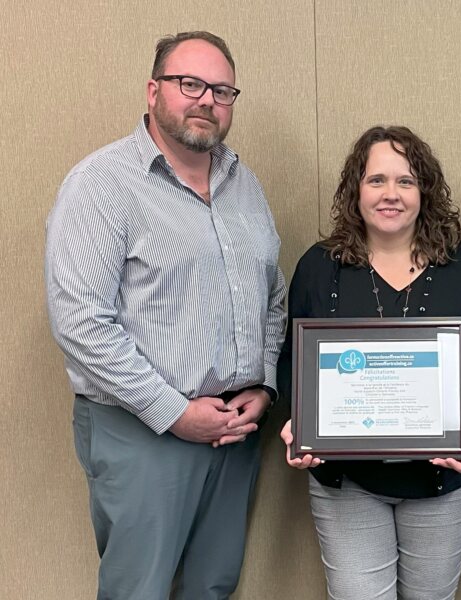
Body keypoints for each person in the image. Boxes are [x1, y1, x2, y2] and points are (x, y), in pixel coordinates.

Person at [45, 31, 286, 599]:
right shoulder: (102, 184)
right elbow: (80, 322)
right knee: (139, 591)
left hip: (234, 433)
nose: (206, 100)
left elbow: (271, 296)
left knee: (211, 586)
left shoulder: (243, 185)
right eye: (190, 84)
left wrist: (266, 384)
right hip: (141, 431)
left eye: (222, 90)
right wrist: (174, 412)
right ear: (154, 91)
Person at [278, 125, 461, 600]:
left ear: (424, 191)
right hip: (348, 485)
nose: (391, 194)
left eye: (405, 181)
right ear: (355, 190)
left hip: (445, 481)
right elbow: (291, 358)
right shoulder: (319, 267)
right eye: (376, 180)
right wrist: (297, 422)